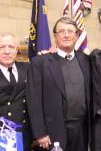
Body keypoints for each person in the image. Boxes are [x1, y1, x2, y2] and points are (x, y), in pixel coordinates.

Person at [26, 17, 90, 151]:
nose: (66, 35)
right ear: (55, 35)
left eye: (70, 31)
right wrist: (40, 133)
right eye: (61, 31)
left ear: (77, 35)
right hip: (53, 131)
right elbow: (34, 100)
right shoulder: (40, 63)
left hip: (82, 129)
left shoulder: (86, 60)